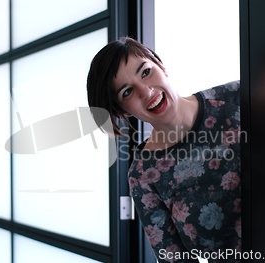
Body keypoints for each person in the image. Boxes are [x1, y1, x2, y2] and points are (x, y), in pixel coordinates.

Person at [87, 37, 241, 263]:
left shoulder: (238, 96)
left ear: (162, 66)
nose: (146, 91)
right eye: (127, 92)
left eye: (146, 72)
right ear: (122, 111)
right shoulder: (143, 176)